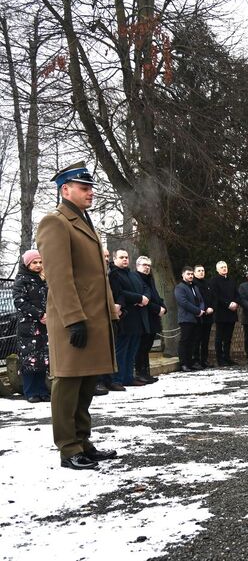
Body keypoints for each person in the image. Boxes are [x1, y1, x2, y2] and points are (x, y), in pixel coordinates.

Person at [36, 161, 118, 470]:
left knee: (86, 384)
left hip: (93, 318)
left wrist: (110, 313)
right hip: (74, 319)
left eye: (91, 188)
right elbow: (58, 276)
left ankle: (83, 441)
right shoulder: (55, 222)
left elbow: (99, 276)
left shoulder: (82, 221)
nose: (90, 193)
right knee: (68, 385)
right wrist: (73, 318)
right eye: (84, 188)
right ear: (65, 189)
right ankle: (69, 448)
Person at [108, 250, 151, 388]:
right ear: (115, 259)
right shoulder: (113, 274)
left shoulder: (132, 274)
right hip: (125, 316)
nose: (125, 259)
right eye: (121, 257)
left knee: (133, 348)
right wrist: (139, 298)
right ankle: (117, 379)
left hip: (137, 316)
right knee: (122, 349)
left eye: (126, 257)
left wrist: (145, 297)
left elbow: (145, 287)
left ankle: (128, 377)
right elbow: (119, 293)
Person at [13, 250, 50, 403]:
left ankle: (42, 390)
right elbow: (20, 302)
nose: (38, 265)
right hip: (28, 326)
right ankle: (30, 392)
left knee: (43, 359)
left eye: (40, 262)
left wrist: (48, 314)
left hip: (44, 325)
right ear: (27, 264)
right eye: (34, 262)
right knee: (30, 359)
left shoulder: (43, 279)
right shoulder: (22, 280)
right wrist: (39, 314)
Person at [134, 256, 165, 384]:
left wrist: (163, 307)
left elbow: (155, 296)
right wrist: (158, 308)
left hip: (153, 317)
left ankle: (146, 373)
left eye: (148, 265)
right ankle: (140, 373)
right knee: (141, 347)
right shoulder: (136, 278)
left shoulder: (150, 279)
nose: (147, 267)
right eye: (144, 265)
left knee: (147, 346)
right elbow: (144, 301)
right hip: (143, 317)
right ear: (137, 266)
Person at [175, 266, 205, 372]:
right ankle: (183, 363)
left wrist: (201, 310)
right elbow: (183, 302)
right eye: (188, 274)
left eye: (192, 274)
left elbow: (201, 300)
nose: (191, 276)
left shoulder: (195, 287)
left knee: (193, 341)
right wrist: (197, 311)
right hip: (186, 318)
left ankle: (190, 362)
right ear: (183, 275)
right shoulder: (180, 287)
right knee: (185, 341)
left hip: (196, 318)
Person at [211, 261, 239, 366]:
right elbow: (216, 296)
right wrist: (228, 304)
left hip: (231, 313)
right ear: (217, 270)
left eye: (225, 267)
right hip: (221, 312)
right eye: (222, 267)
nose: (224, 269)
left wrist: (236, 302)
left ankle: (227, 357)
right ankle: (220, 359)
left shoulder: (232, 280)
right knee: (219, 337)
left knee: (228, 338)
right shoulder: (214, 281)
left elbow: (237, 293)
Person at [192, 265, 215, 368]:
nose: (201, 272)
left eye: (203, 270)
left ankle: (204, 360)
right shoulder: (193, 284)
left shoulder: (208, 283)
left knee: (205, 340)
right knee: (196, 339)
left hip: (209, 315)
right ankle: (195, 360)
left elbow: (213, 297)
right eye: (199, 271)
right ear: (194, 272)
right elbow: (196, 300)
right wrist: (204, 309)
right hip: (198, 315)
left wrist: (211, 307)